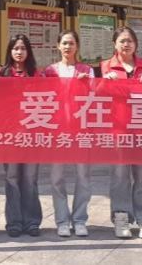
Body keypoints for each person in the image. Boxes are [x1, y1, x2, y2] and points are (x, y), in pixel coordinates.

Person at [101, 26, 142, 240]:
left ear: (135, 44)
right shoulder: (106, 65)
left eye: (130, 40)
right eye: (122, 41)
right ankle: (121, 217)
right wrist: (105, 81)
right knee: (119, 175)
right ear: (115, 44)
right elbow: (98, 94)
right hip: (119, 128)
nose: (126, 44)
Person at [43, 30, 93, 238]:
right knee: (56, 177)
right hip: (58, 131)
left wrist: (86, 84)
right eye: (64, 43)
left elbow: (96, 96)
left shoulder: (87, 70)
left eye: (71, 43)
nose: (67, 47)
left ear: (77, 46)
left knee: (83, 176)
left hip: (81, 130)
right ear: (58, 46)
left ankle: (80, 219)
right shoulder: (50, 71)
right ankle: (62, 220)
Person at [0, 34, 42, 237]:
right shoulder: (2, 74)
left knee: (30, 178)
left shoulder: (36, 75)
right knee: (12, 178)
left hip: (32, 135)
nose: (19, 52)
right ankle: (14, 222)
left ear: (28, 52)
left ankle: (32, 221)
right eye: (15, 48)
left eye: (23, 48)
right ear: (10, 51)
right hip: (10, 136)